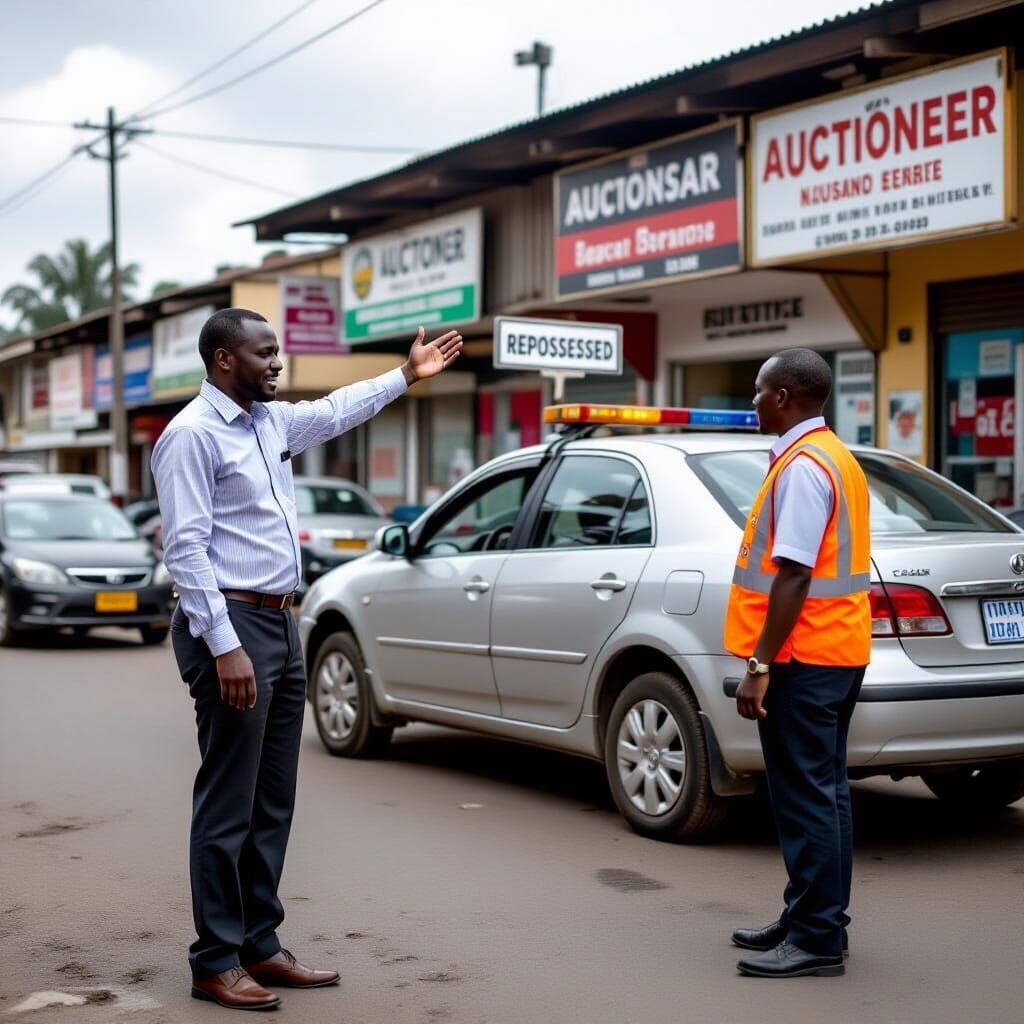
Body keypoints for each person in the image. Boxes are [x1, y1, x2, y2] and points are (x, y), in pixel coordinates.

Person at [152, 308, 462, 1011]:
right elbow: (186, 551)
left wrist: (406, 375)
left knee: (272, 799)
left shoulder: (269, 423)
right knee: (229, 800)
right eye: (264, 354)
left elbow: (334, 410)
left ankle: (261, 943)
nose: (277, 363)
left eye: (277, 352)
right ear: (224, 359)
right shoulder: (191, 437)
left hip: (279, 622)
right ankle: (214, 960)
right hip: (229, 625)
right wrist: (224, 647)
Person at [723, 347, 871, 980]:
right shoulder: (831, 454)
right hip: (835, 651)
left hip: (805, 657)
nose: (752, 401)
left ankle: (816, 939)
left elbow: (794, 574)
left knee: (806, 798)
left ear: (783, 397)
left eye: (758, 391)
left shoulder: (805, 466)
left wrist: (760, 663)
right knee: (825, 794)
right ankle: (812, 917)